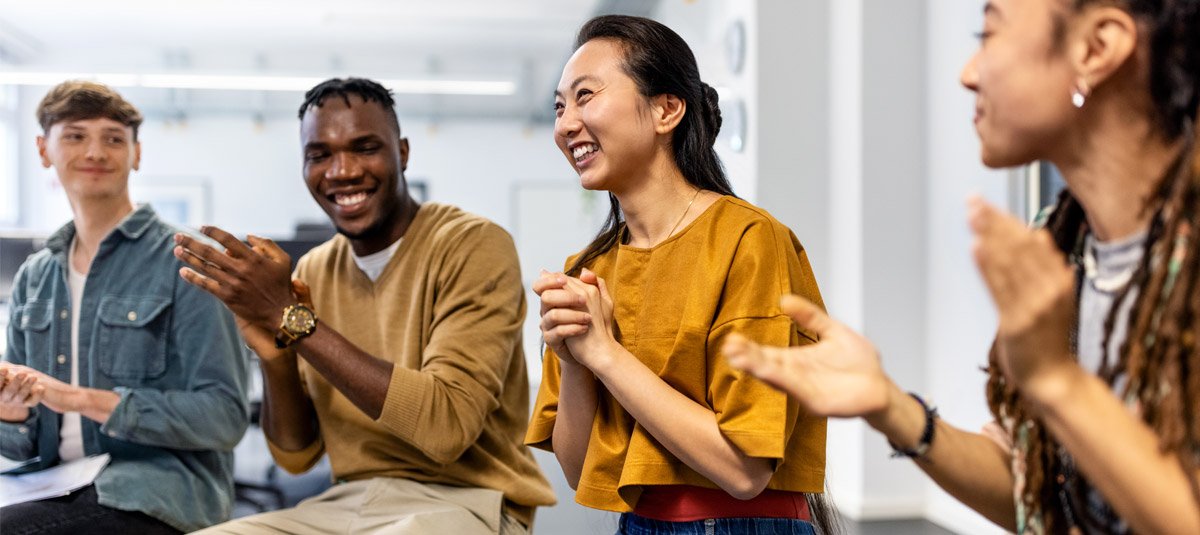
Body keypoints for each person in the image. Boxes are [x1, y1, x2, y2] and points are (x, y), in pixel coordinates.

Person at [724, 1, 1200, 533]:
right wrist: (891, 407)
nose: (968, 73)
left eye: (988, 33)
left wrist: (1056, 381)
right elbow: (1034, 493)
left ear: (1097, 47)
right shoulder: (1063, 244)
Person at [177, 77, 554, 534]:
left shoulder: (472, 245)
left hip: (469, 503)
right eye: (320, 155)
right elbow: (296, 456)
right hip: (346, 505)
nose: (342, 171)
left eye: (364, 147)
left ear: (404, 152)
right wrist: (276, 358)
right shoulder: (314, 270)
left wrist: (292, 320)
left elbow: (446, 427)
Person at [527, 15, 835, 535]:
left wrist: (604, 353)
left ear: (666, 108)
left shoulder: (749, 241)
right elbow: (581, 474)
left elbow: (743, 469)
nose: (565, 124)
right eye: (560, 107)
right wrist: (574, 362)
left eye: (586, 96)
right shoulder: (589, 269)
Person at [0, 81, 250, 534]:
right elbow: (20, 445)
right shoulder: (35, 277)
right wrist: (13, 412)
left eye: (114, 138)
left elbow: (225, 417)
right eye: (75, 135)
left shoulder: (190, 259)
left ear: (136, 154)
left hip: (153, 492)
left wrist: (74, 398)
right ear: (42, 149)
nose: (95, 151)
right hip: (49, 486)